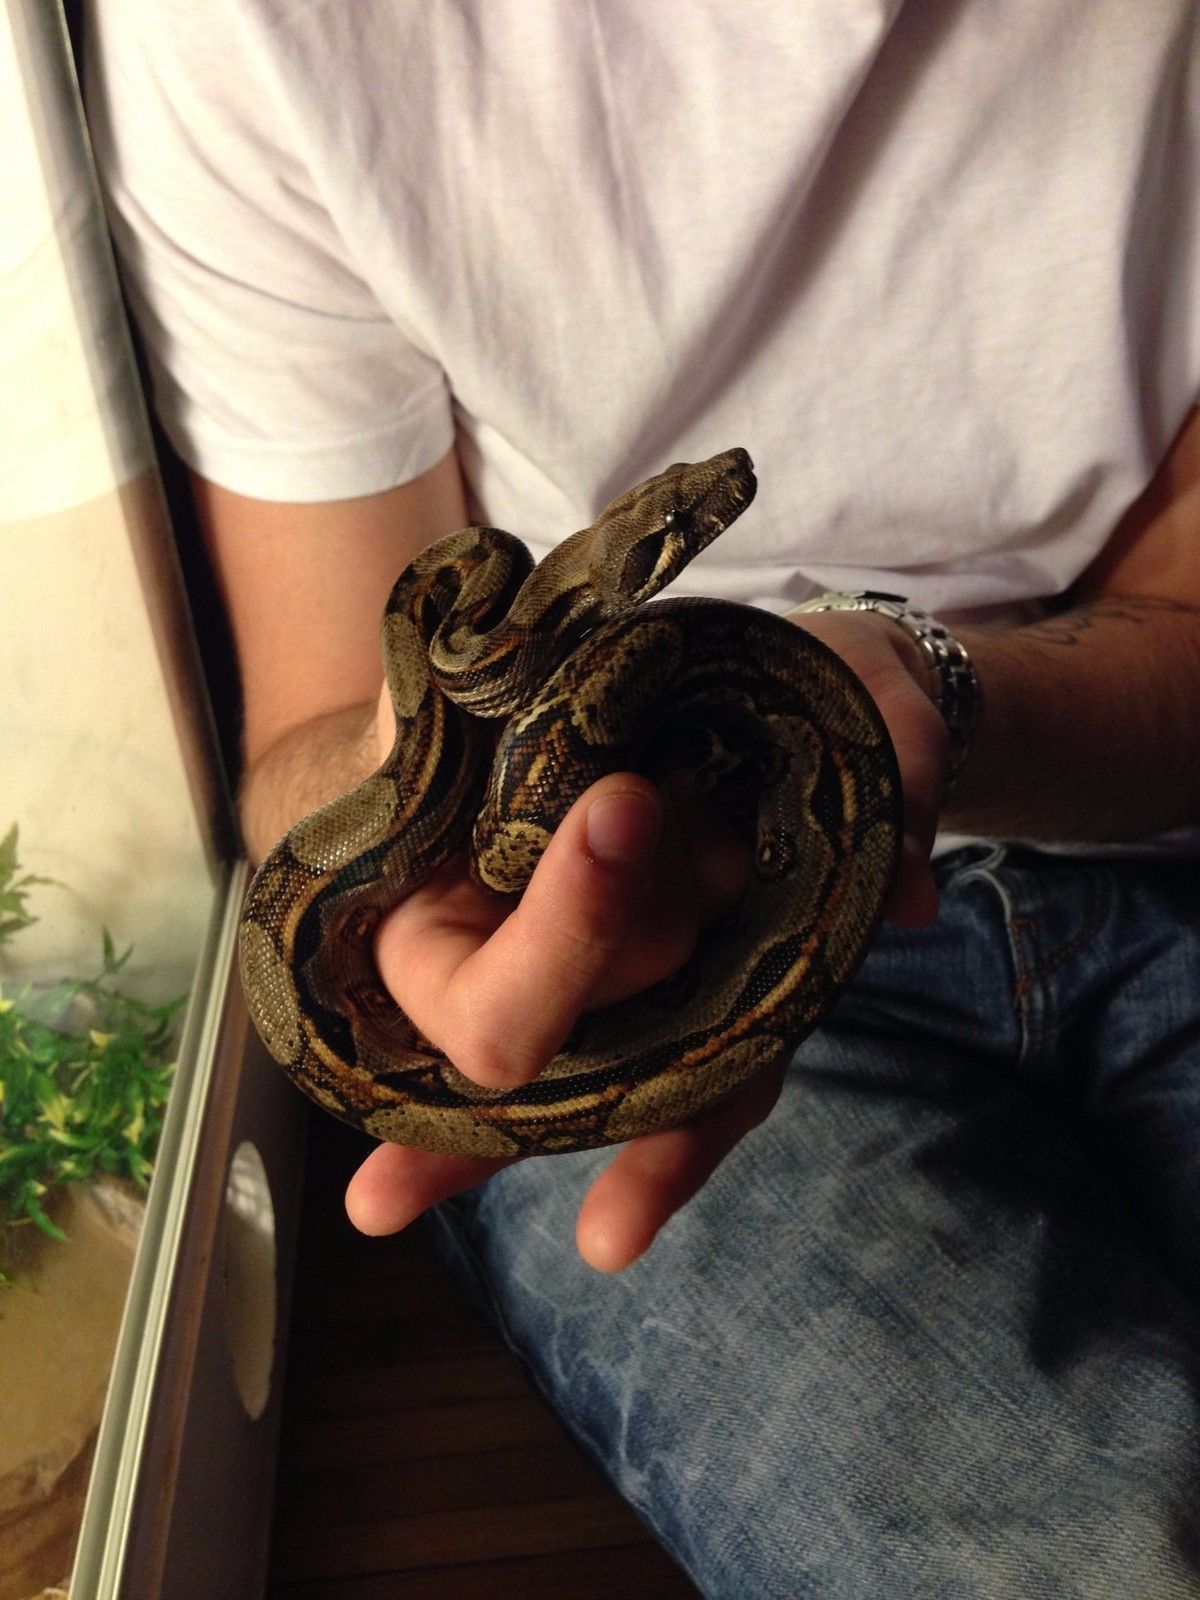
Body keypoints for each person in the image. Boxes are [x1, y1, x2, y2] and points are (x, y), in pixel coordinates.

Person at [83, 3, 1200, 1594]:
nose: (709, 511)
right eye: (674, 534)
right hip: (633, 990)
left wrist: (916, 697)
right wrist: (428, 789)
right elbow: (321, 743)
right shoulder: (248, 34)